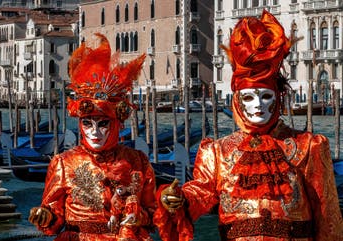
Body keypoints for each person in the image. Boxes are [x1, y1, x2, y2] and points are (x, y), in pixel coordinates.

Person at [153, 10, 343, 241]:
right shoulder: (218, 152)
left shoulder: (307, 148)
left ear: (278, 98)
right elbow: (201, 192)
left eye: (265, 97)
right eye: (249, 98)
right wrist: (178, 199)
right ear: (237, 100)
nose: (258, 106)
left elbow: (328, 219)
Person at [29, 33, 157, 241]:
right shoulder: (63, 163)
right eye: (87, 124)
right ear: (80, 124)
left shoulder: (137, 161)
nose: (94, 132)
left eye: (103, 124)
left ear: (116, 124)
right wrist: (45, 217)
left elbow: (153, 215)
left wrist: (137, 216)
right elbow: (54, 221)